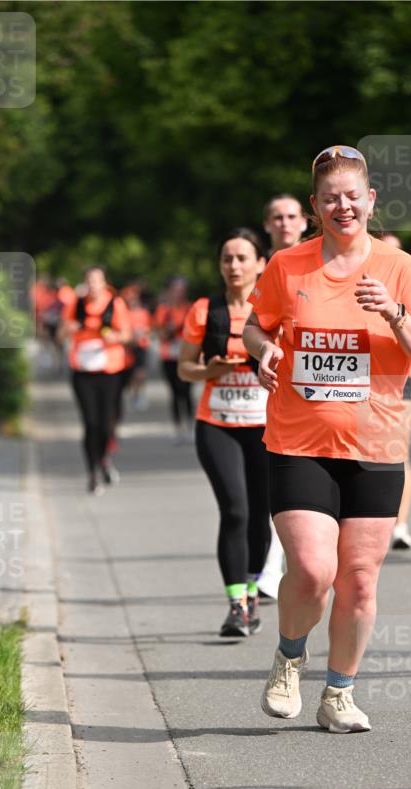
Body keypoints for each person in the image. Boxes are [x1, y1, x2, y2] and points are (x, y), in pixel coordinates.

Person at [243, 144, 411, 732]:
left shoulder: (397, 268)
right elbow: (255, 327)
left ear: (371, 200)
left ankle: (338, 693)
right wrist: (265, 349)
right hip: (299, 441)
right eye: (331, 197)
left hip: (376, 446)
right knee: (311, 568)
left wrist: (396, 314)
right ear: (314, 206)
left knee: (359, 579)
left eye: (353, 195)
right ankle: (288, 656)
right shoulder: (287, 265)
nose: (343, 206)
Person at [178, 229, 270, 636]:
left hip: (267, 426)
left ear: (260, 264)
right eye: (227, 259)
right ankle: (236, 605)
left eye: (242, 258)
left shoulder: (272, 308)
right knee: (234, 509)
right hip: (218, 424)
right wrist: (208, 371)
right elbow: (184, 367)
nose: (234, 266)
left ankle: (251, 591)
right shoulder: (204, 310)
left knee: (259, 515)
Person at [257, 195, 309, 601]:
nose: (285, 223)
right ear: (266, 224)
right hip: (265, 385)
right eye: (277, 217)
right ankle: (273, 563)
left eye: (292, 216)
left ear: (305, 221)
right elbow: (249, 325)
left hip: (315, 398)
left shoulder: (324, 263)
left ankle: (288, 564)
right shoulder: (262, 267)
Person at [60, 265, 131, 493]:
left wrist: (113, 336)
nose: (93, 285)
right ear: (84, 284)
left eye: (97, 281)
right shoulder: (75, 304)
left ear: (104, 283)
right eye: (89, 281)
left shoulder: (115, 304)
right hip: (83, 371)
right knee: (90, 423)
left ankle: (104, 459)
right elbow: (60, 333)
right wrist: (69, 329)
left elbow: (127, 335)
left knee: (106, 423)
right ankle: (92, 473)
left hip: (109, 370)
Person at [379, 233, 411, 550]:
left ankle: (400, 525)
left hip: (406, 376)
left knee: (398, 450)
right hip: (366, 378)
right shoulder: (360, 288)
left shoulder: (410, 287)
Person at [154, 277, 194, 442]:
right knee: (175, 392)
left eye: (181, 289)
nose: (178, 292)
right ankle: (178, 427)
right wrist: (169, 331)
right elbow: (158, 332)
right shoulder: (164, 310)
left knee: (186, 391)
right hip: (169, 355)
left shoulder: (190, 308)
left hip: (187, 354)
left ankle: (190, 426)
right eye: (175, 289)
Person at [121, 283, 152, 411]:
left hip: (141, 345)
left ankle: (140, 394)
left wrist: (144, 332)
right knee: (131, 374)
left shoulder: (144, 312)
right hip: (128, 346)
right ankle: (132, 394)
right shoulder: (123, 312)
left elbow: (150, 328)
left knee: (141, 373)